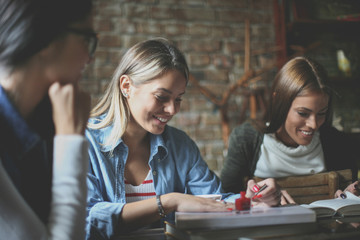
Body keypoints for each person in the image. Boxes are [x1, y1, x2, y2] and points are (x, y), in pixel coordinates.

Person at [85, 38, 281, 239]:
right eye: (161, 97)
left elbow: (213, 199)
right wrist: (169, 201)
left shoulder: (180, 145)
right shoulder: (85, 141)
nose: (172, 110)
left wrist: (250, 200)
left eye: (178, 98)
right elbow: (87, 220)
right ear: (126, 86)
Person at [0, 0, 95, 239]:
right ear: (45, 38)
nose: (89, 57)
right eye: (86, 39)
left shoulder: (42, 121)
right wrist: (71, 140)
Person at [220, 56, 359, 204]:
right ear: (279, 101)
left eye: (321, 113)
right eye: (303, 113)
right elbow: (225, 198)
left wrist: (351, 200)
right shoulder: (246, 139)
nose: (313, 124)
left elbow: (351, 204)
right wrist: (249, 199)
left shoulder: (338, 142)